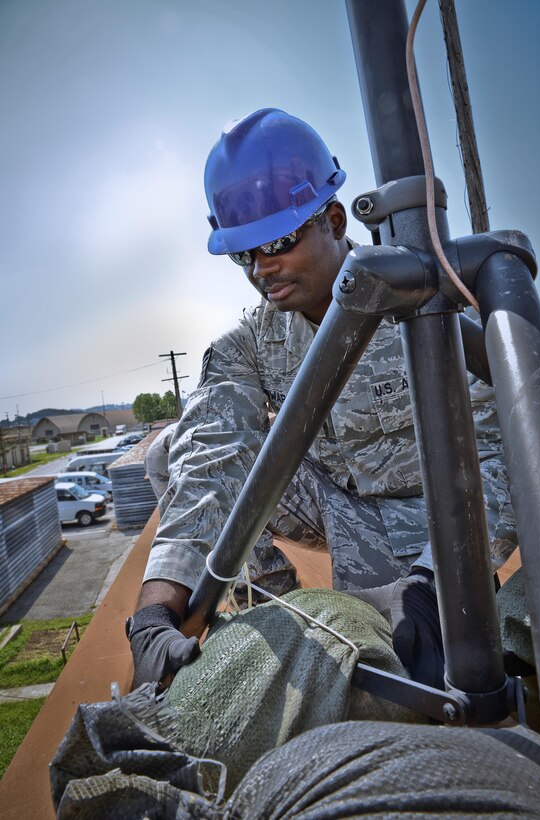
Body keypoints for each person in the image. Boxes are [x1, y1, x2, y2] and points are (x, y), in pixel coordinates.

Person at [126, 108, 517, 690]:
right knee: (171, 451)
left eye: (279, 242)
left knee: (402, 666)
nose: (262, 269)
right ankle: (271, 604)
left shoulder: (430, 306)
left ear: (334, 219)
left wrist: (444, 580)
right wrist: (156, 609)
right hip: (332, 498)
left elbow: (503, 456)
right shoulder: (254, 340)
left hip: (430, 511)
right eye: (244, 254)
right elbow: (212, 445)